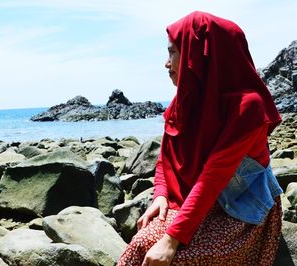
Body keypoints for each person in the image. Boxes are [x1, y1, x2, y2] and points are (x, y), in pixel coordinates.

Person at [117, 11, 283, 266]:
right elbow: (166, 157)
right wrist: (160, 194)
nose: (166, 62)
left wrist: (172, 240)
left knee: (175, 259)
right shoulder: (186, 99)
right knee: (142, 243)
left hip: (240, 213)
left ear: (197, 54)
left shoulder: (248, 106)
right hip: (198, 201)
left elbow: (213, 176)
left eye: (172, 52)